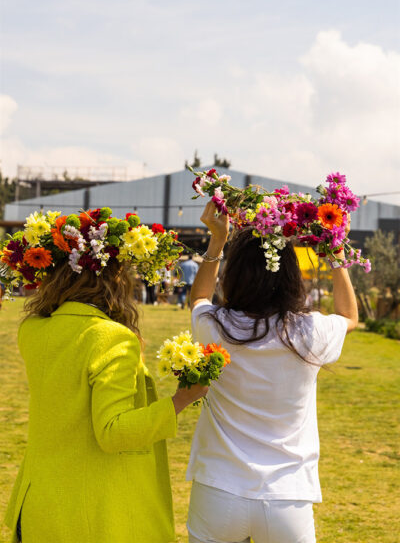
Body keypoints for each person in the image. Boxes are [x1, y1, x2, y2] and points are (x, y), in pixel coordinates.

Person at [4, 211, 207, 543]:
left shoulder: (33, 330)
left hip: (39, 505)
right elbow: (113, 432)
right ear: (114, 279)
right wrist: (181, 399)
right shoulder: (112, 338)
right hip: (91, 514)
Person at [186, 201, 358, 543]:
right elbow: (350, 316)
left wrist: (217, 241)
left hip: (219, 489)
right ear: (290, 273)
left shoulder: (217, 326)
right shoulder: (309, 331)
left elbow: (199, 297)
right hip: (287, 496)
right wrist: (336, 249)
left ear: (233, 275)